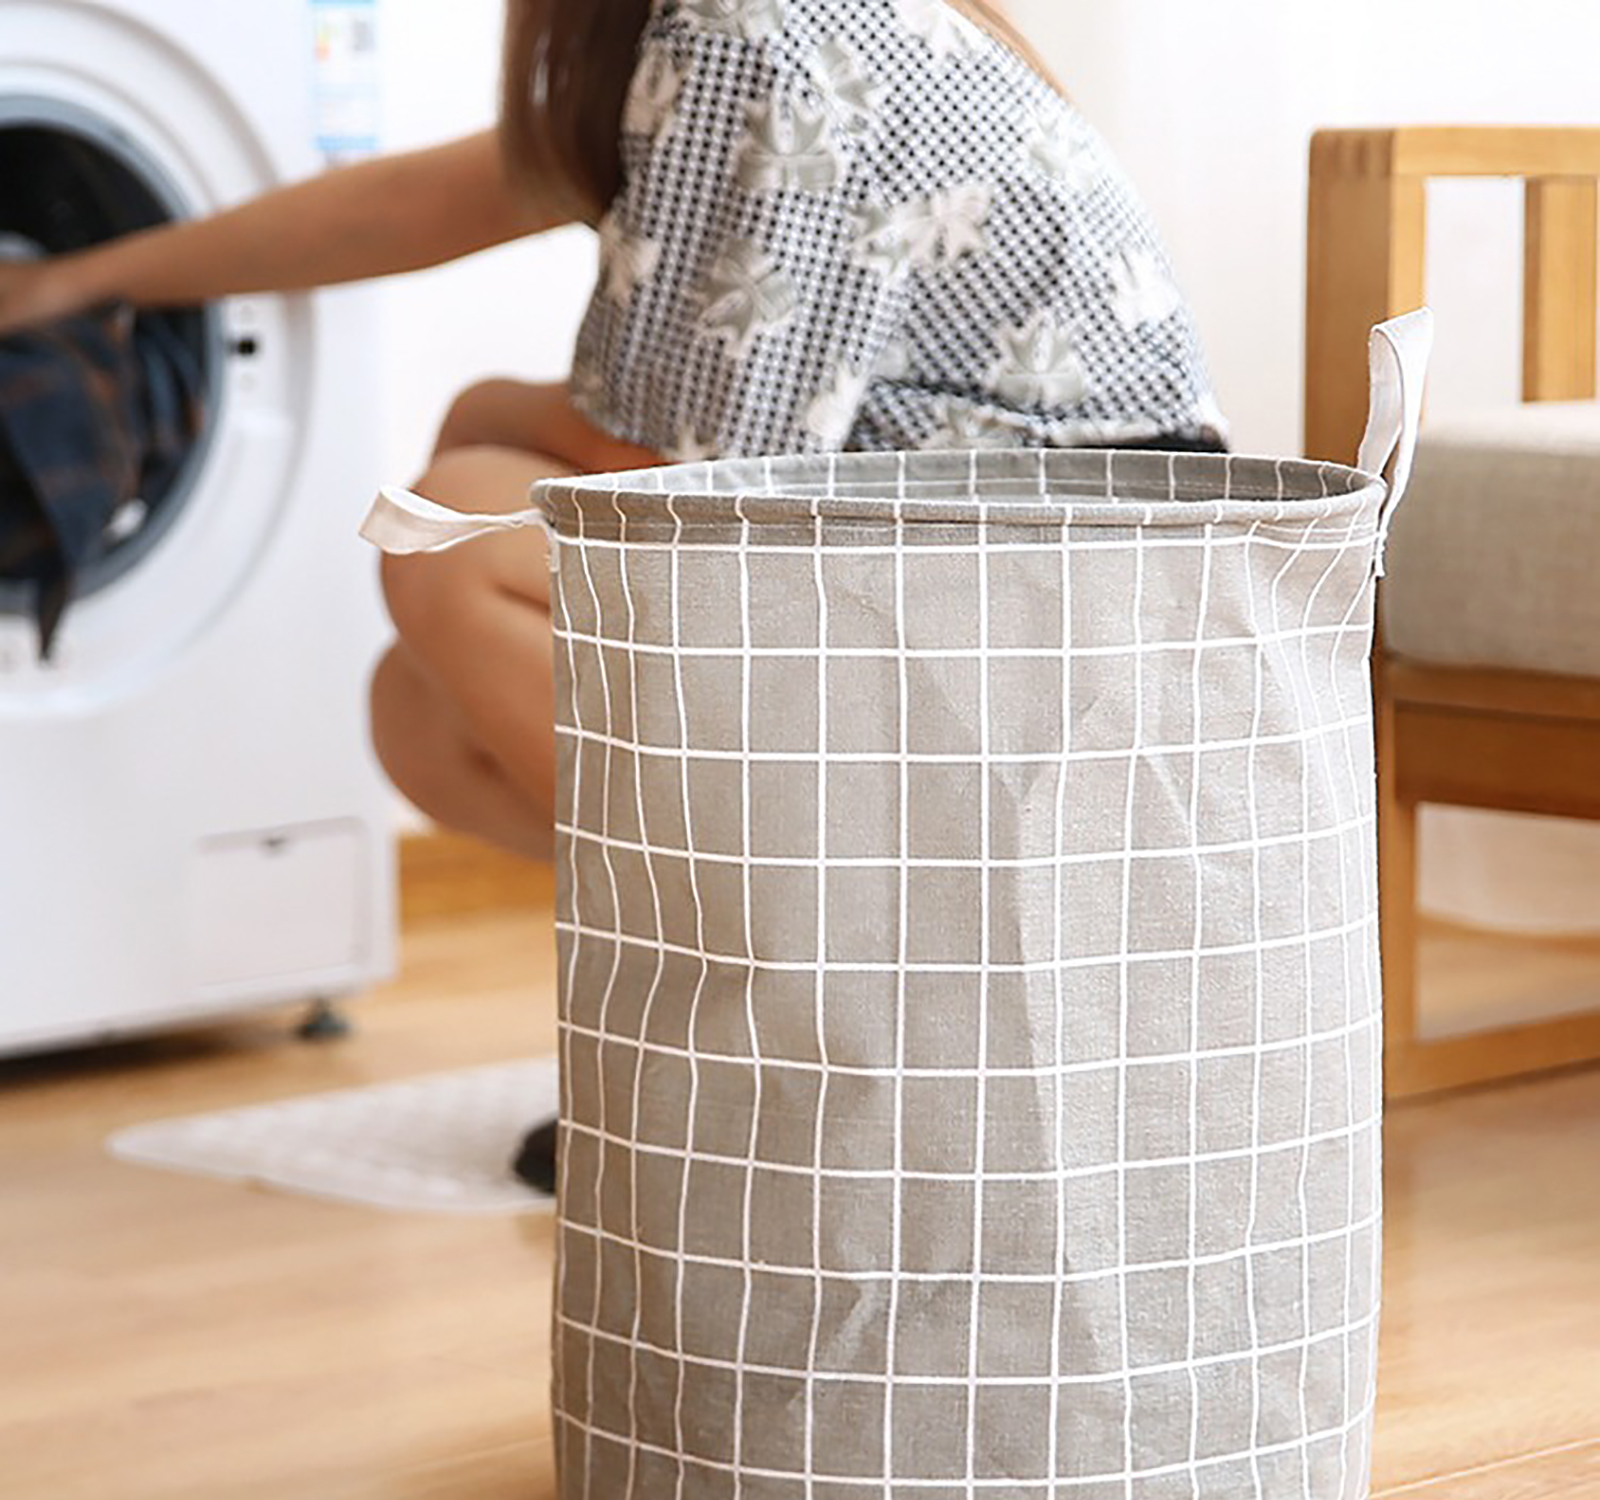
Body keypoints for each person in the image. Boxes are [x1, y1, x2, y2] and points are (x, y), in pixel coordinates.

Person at [0, 0, 1224, 862]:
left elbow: (688, 482)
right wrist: (74, 282)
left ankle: (815, 999)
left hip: (1071, 605)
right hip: (1039, 578)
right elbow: (402, 206)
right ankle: (737, 1016)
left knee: (454, 527)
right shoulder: (708, 34)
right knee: (419, 714)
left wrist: (486, 404)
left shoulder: (753, 28)